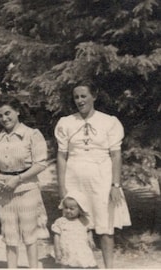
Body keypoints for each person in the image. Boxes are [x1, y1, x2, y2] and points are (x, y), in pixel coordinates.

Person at [54, 82, 131, 268]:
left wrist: (116, 184)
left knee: (105, 226)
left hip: (101, 178)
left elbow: (115, 155)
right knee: (75, 226)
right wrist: (62, 186)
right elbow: (62, 156)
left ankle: (108, 266)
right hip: (75, 179)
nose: (80, 100)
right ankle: (78, 264)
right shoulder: (66, 123)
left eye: (83, 96)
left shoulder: (109, 122)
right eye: (76, 97)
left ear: (93, 96)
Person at [0, 94, 48, 268]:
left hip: (27, 189)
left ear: (18, 111)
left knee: (30, 236)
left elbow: (40, 164)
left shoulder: (32, 135)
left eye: (8, 113)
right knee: (10, 237)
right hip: (4, 192)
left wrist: (18, 179)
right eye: (0, 116)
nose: (4, 118)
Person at [52, 190, 97, 268]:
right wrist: (57, 250)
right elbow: (56, 236)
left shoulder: (84, 220)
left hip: (81, 249)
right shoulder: (60, 221)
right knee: (65, 264)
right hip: (66, 249)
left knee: (82, 264)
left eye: (71, 208)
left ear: (80, 209)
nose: (68, 210)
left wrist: (90, 239)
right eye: (66, 208)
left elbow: (88, 230)